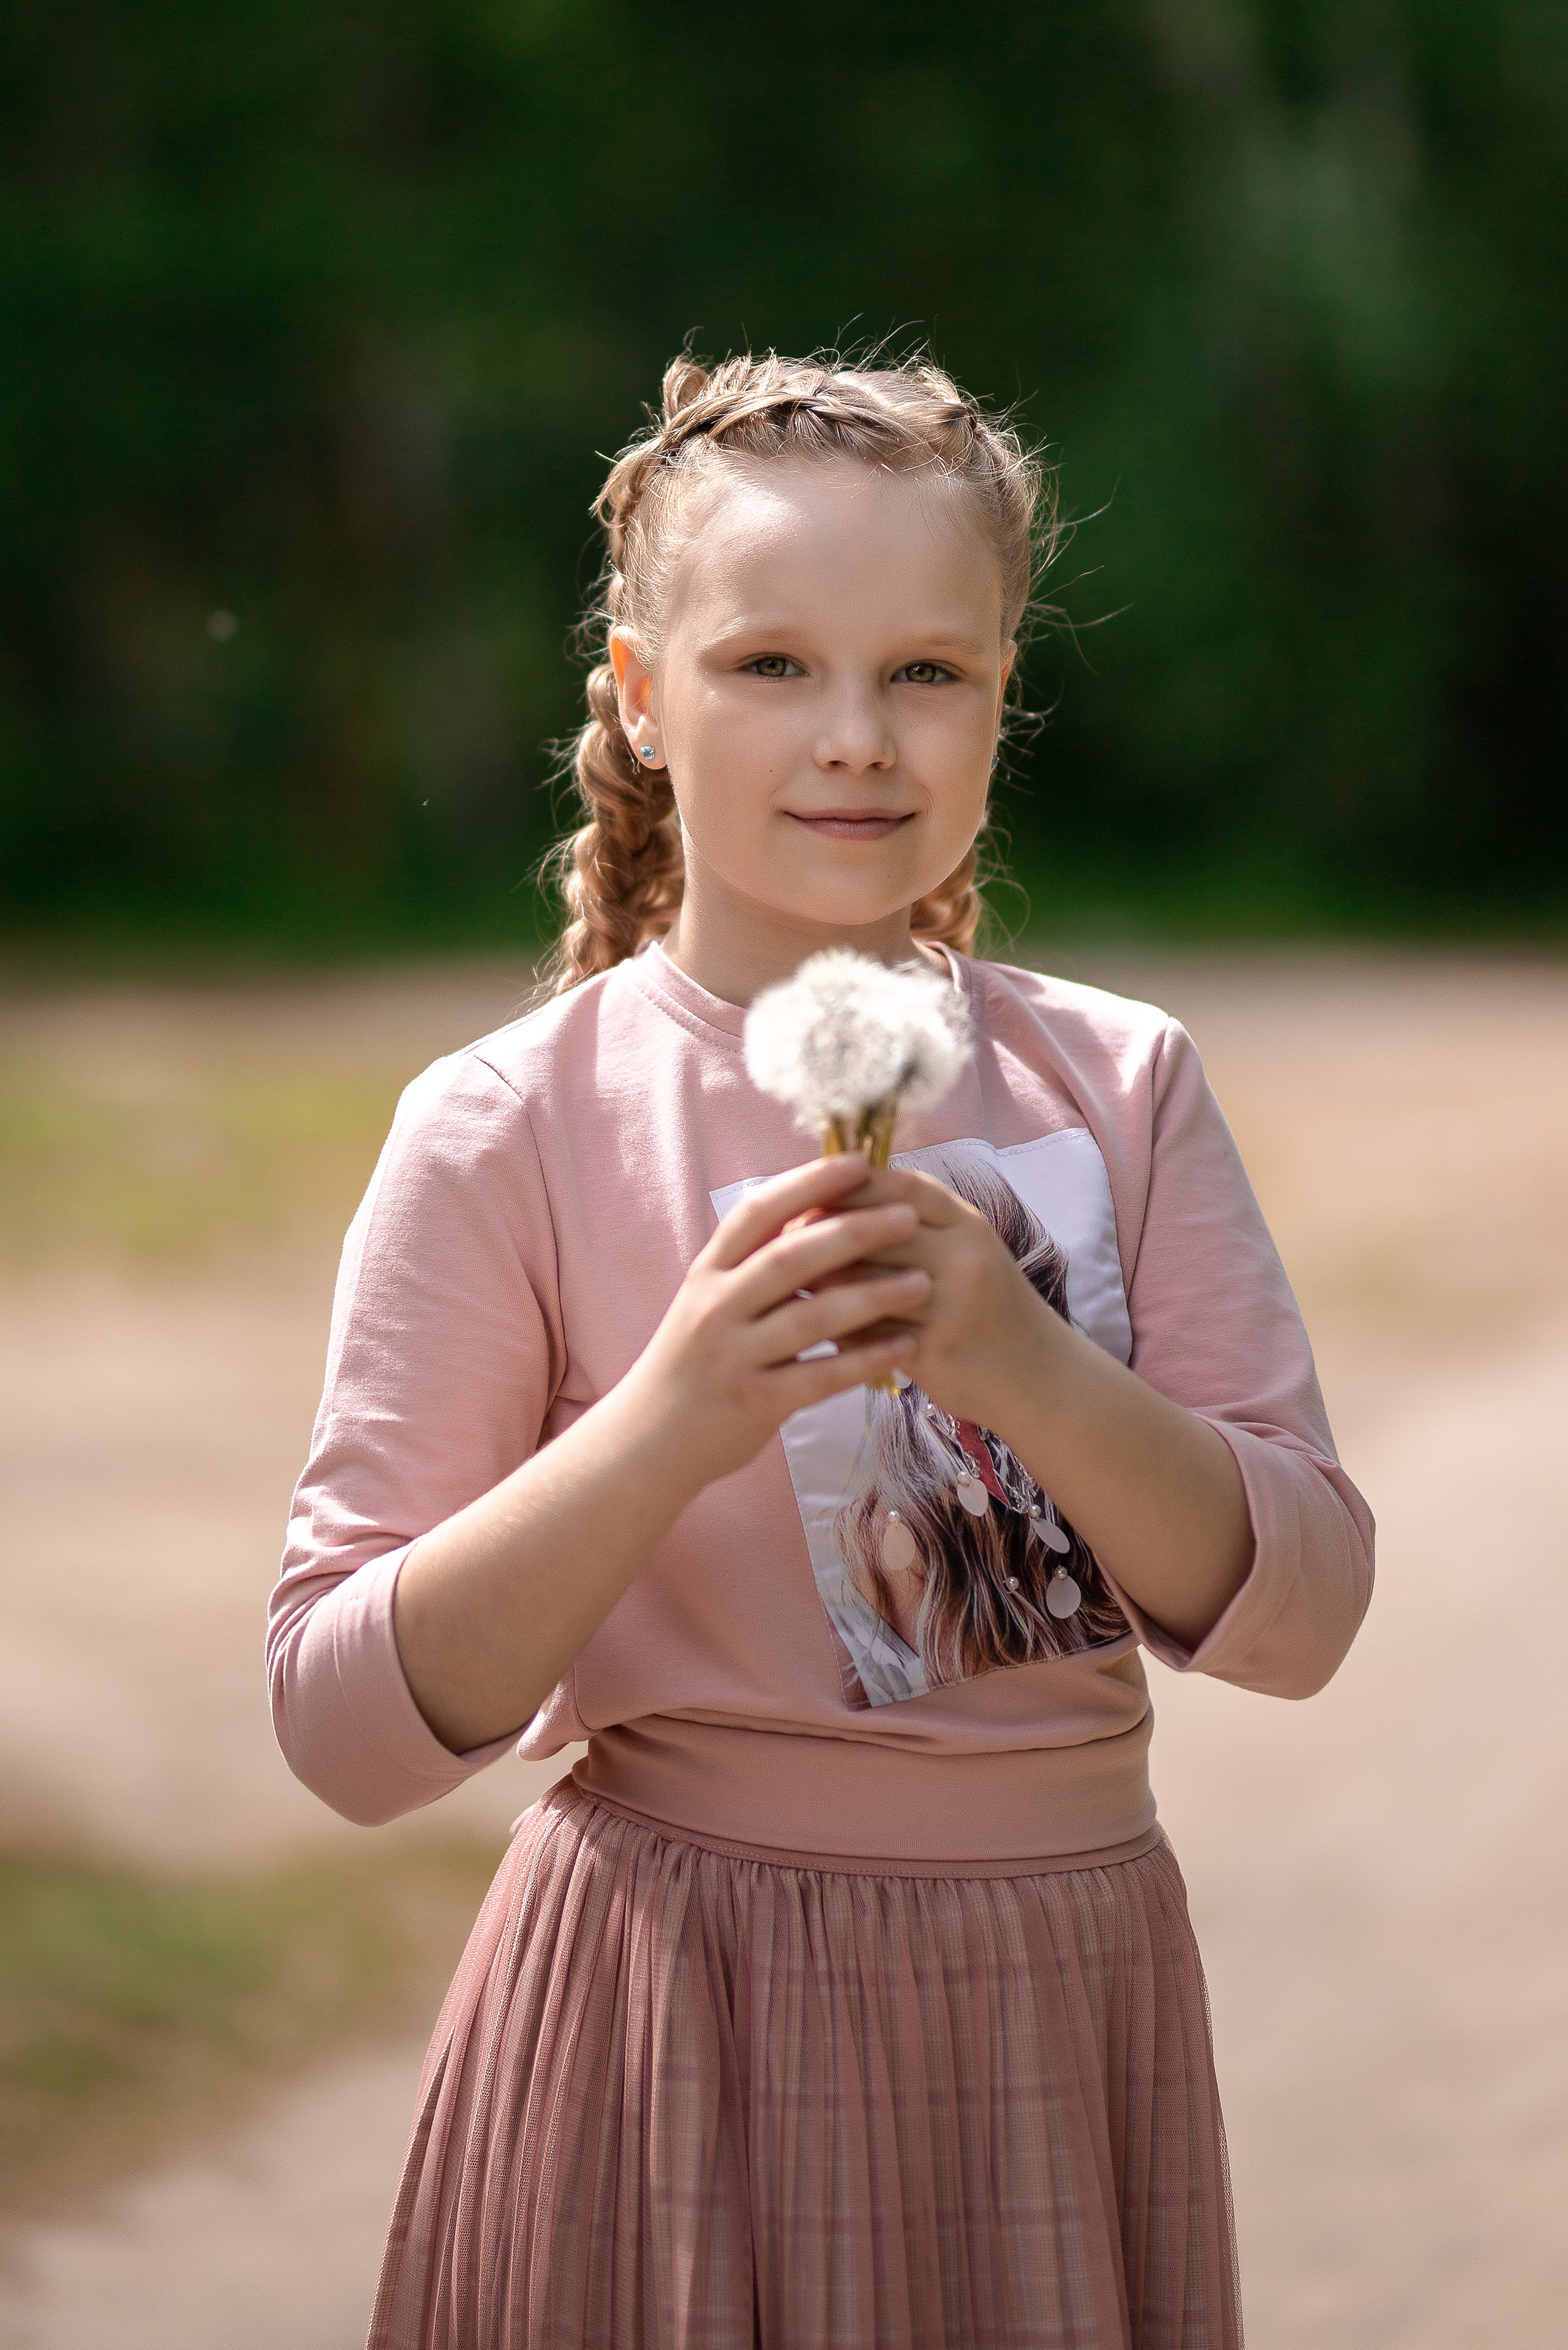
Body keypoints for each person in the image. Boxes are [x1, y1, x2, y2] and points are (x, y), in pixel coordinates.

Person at [270, 350, 1374, 2350]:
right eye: (772, 663)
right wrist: (672, 1419)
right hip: (669, 2024)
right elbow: (340, 1729)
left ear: (1002, 690)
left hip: (1061, 2010)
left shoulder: (1119, 1085)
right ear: (637, 688)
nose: (856, 739)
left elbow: (1303, 1616)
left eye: (927, 673)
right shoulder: (509, 1126)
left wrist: (1027, 1367)